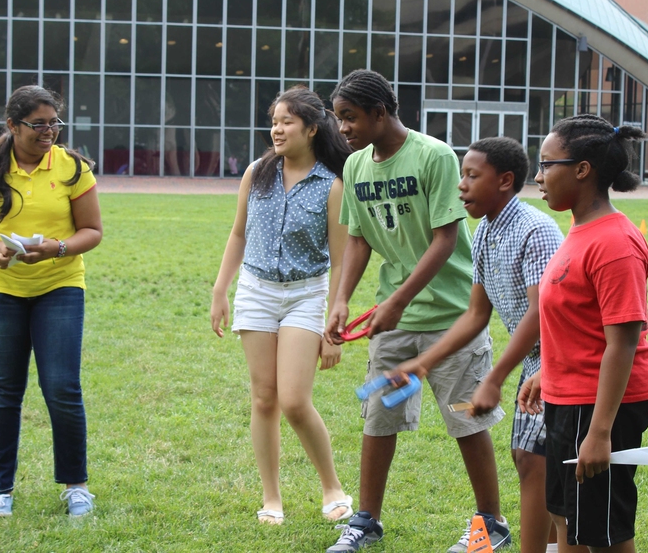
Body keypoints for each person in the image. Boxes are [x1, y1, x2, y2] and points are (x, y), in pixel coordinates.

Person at [324, 70, 509, 552]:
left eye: (350, 117)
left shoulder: (433, 156)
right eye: (338, 118)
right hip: (394, 320)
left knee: (466, 420)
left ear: (380, 113)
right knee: (378, 418)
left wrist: (398, 300)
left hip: (452, 317)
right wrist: (341, 299)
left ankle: (491, 523)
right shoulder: (356, 167)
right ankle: (365, 521)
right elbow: (360, 239)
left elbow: (446, 238)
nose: (343, 128)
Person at [385, 137, 563, 553]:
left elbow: (542, 316)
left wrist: (494, 377)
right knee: (531, 462)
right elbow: (475, 314)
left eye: (471, 175)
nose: (461, 186)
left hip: (559, 359)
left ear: (504, 181)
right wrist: (423, 363)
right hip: (536, 362)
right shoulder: (483, 231)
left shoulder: (535, 230)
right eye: (461, 175)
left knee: (537, 464)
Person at [520, 114, 648, 553]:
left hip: (600, 403)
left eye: (547, 165)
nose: (539, 176)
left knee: (602, 533)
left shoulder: (615, 243)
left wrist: (600, 431)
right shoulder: (581, 228)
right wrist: (550, 370)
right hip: (572, 394)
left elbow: (622, 342)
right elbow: (580, 320)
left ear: (582, 169)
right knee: (568, 517)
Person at [210, 86, 353, 525]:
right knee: (264, 398)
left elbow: (342, 259)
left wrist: (334, 329)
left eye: (286, 121)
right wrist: (221, 290)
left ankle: (332, 487)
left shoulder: (332, 185)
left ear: (311, 128)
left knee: (293, 400)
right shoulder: (257, 173)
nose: (276, 129)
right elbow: (238, 234)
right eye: (274, 121)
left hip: (306, 294)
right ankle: (271, 498)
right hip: (256, 290)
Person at [0, 85, 103, 518]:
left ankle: (76, 486)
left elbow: (91, 231)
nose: (49, 131)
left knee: (61, 387)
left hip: (60, 287)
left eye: (54, 122)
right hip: (2, 292)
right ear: (12, 125)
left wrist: (58, 248)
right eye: (38, 124)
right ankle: (1, 490)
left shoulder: (74, 168)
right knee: (3, 390)